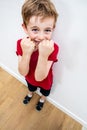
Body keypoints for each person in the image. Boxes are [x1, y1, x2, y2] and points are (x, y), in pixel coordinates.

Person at [16, 0, 59, 111]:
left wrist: (44, 55)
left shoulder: (53, 48)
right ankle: (30, 94)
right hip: (29, 78)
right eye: (35, 29)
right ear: (25, 28)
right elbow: (22, 72)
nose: (41, 37)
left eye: (47, 30)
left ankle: (41, 100)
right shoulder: (21, 44)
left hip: (45, 81)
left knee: (44, 93)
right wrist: (26, 53)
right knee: (31, 88)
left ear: (52, 29)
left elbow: (40, 78)